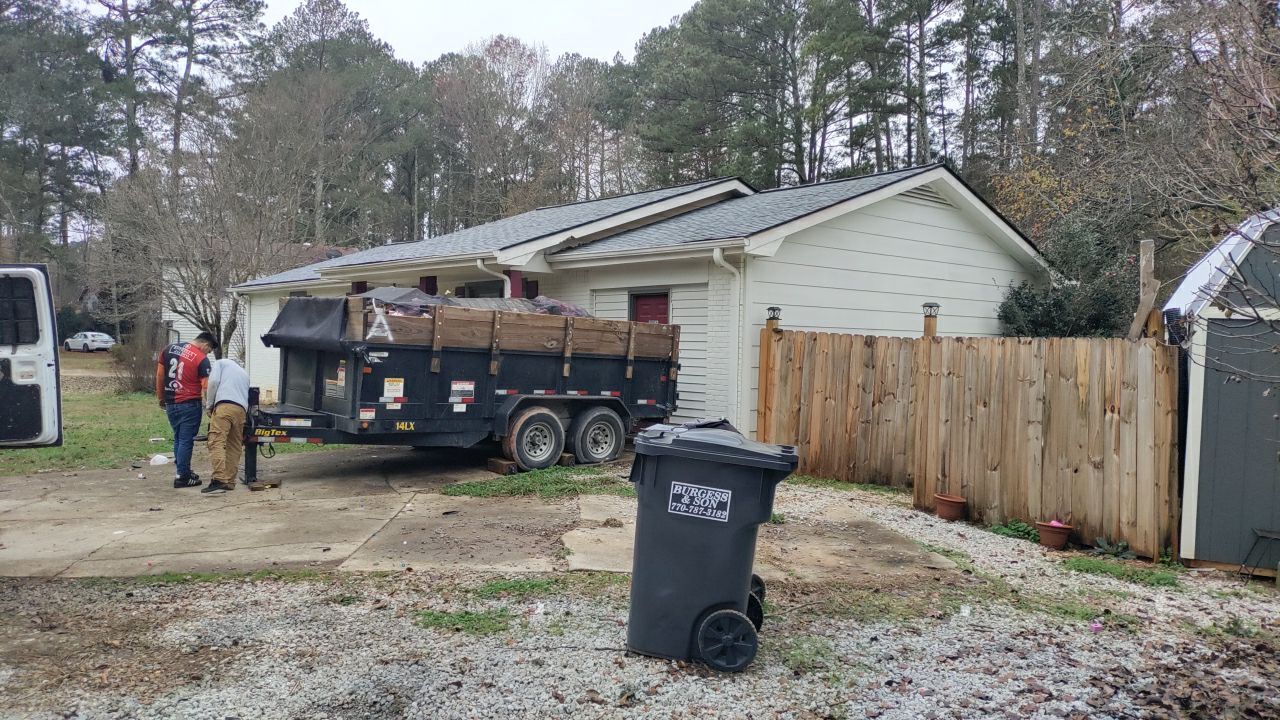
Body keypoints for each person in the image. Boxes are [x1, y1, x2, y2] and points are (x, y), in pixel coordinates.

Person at [157, 332, 216, 488]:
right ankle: (182, 476)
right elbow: (206, 386)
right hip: (189, 404)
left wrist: (161, 397)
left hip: (171, 402)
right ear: (205, 345)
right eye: (208, 351)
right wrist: (210, 406)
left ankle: (183, 470)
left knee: (178, 437)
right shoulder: (201, 359)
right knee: (185, 440)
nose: (207, 353)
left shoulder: (168, 349)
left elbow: (160, 376)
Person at [202, 357, 250, 495]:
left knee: (216, 441)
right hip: (241, 410)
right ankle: (229, 481)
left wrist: (209, 405)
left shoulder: (220, 363)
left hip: (224, 406)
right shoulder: (244, 374)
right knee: (234, 445)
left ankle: (218, 478)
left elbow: (214, 382)